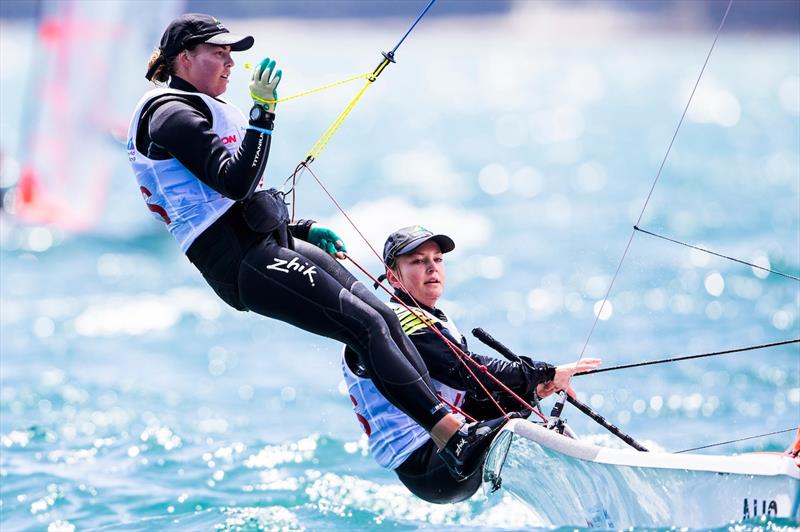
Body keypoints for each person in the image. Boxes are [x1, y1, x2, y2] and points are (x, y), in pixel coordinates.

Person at [127, 14, 477, 475]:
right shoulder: (170, 114)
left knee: (387, 316)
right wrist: (262, 112)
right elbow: (234, 184)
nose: (231, 63)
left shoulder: (201, 105)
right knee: (365, 325)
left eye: (233, 54)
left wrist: (301, 228)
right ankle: (446, 430)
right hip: (241, 261)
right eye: (219, 53)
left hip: (266, 241)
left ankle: (458, 417)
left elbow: (243, 196)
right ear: (184, 58)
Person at [342, 225, 602, 504]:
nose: (432, 267)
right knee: (512, 425)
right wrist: (546, 371)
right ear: (393, 277)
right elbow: (466, 371)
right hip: (427, 465)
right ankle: (582, 495)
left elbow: (471, 395)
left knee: (520, 405)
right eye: (418, 261)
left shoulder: (432, 317)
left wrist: (534, 389)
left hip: (451, 451)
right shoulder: (395, 320)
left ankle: (584, 491)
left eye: (438, 259)